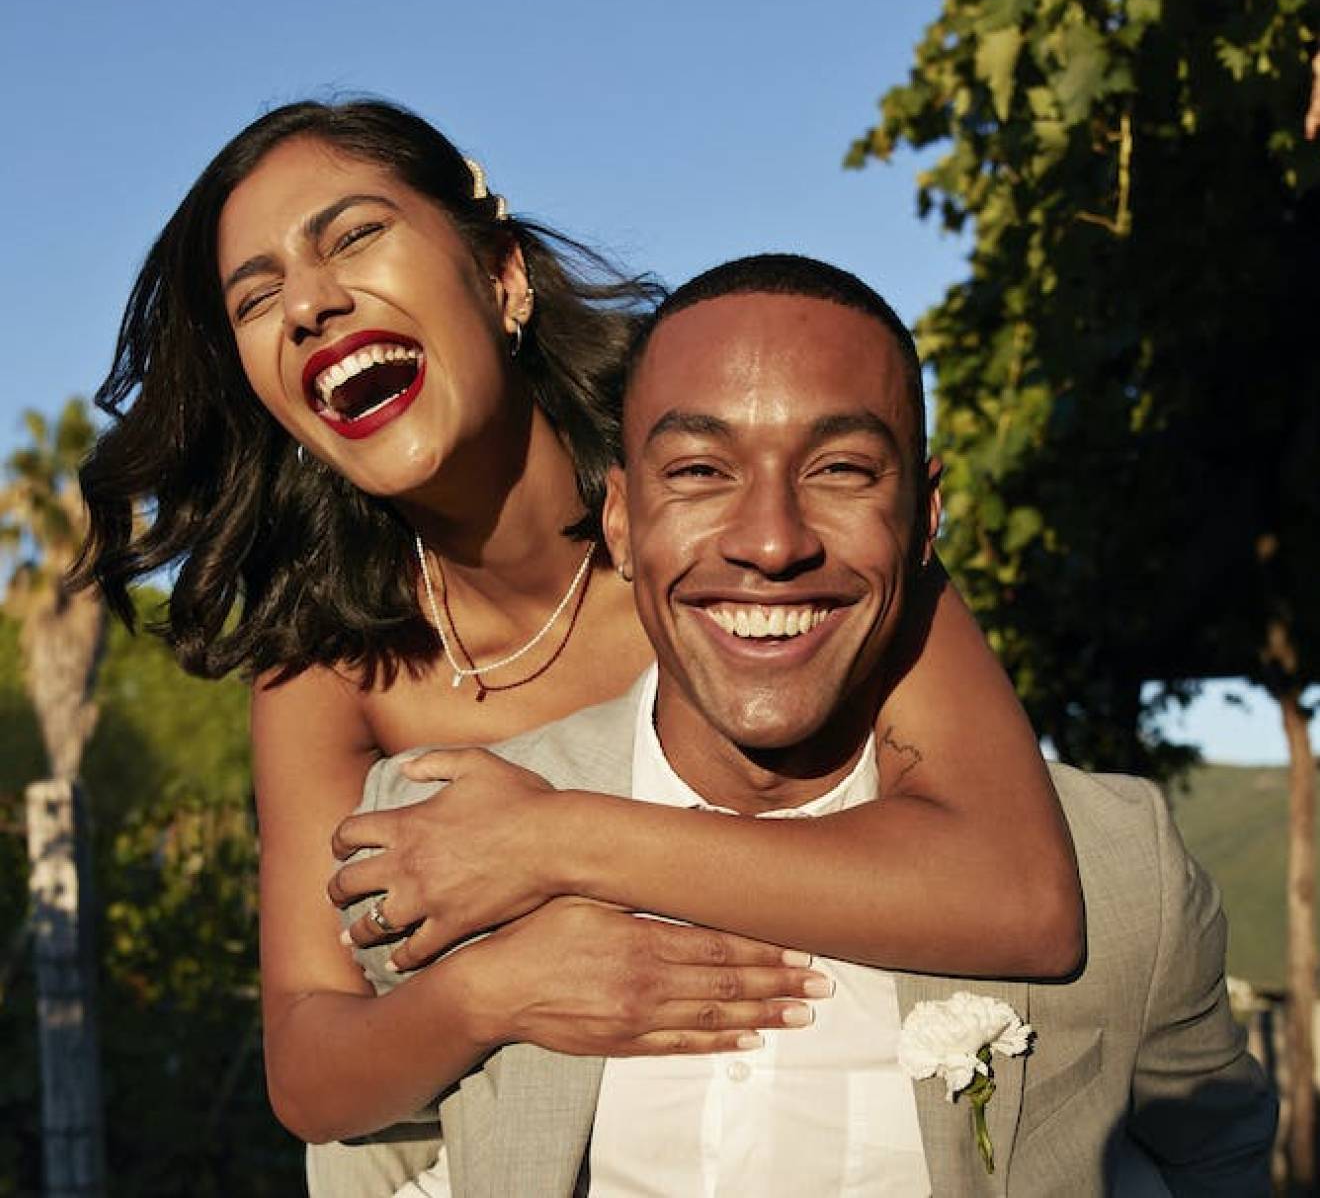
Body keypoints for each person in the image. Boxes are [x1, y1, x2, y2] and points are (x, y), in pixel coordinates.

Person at [70, 100, 1080, 1176]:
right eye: (258, 297)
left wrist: (551, 840)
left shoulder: (747, 512)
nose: (310, 303)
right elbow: (311, 1073)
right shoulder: (323, 658)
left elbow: (1017, 895)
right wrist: (489, 991)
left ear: (504, 276)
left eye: (354, 235)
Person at [339, 254, 1276, 1196]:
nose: (774, 542)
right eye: (701, 470)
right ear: (621, 521)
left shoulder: (1122, 876)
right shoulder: (445, 836)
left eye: (841, 469)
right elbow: (368, 1152)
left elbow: (1215, 1158)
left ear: (924, 517)